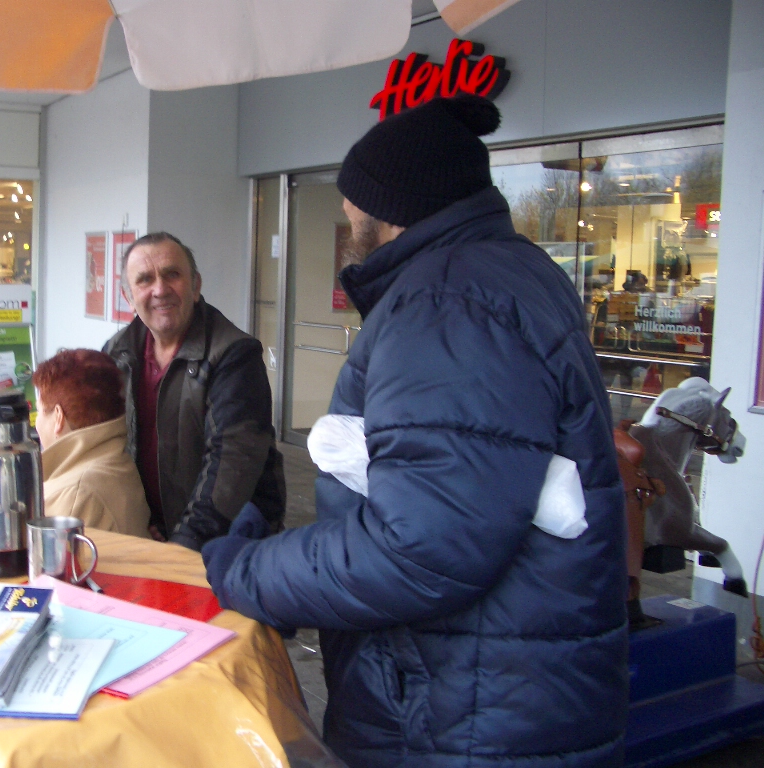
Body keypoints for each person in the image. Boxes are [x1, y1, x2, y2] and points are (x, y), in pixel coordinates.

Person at [202, 96, 628, 767]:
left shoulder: (448, 303)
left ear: (391, 209)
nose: (348, 219)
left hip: (458, 716)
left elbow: (424, 547)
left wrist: (248, 571)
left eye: (353, 207)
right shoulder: (503, 274)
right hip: (495, 691)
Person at [103, 233, 285, 550]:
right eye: (145, 280)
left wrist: (186, 540)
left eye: (172, 274)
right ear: (128, 296)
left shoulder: (234, 354)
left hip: (228, 533)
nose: (160, 289)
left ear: (195, 285)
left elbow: (233, 461)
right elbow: (104, 445)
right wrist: (136, 517)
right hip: (153, 531)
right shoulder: (116, 352)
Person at [32, 348, 152, 538]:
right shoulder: (119, 464)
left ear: (58, 418)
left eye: (39, 411)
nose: (36, 423)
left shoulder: (72, 494)